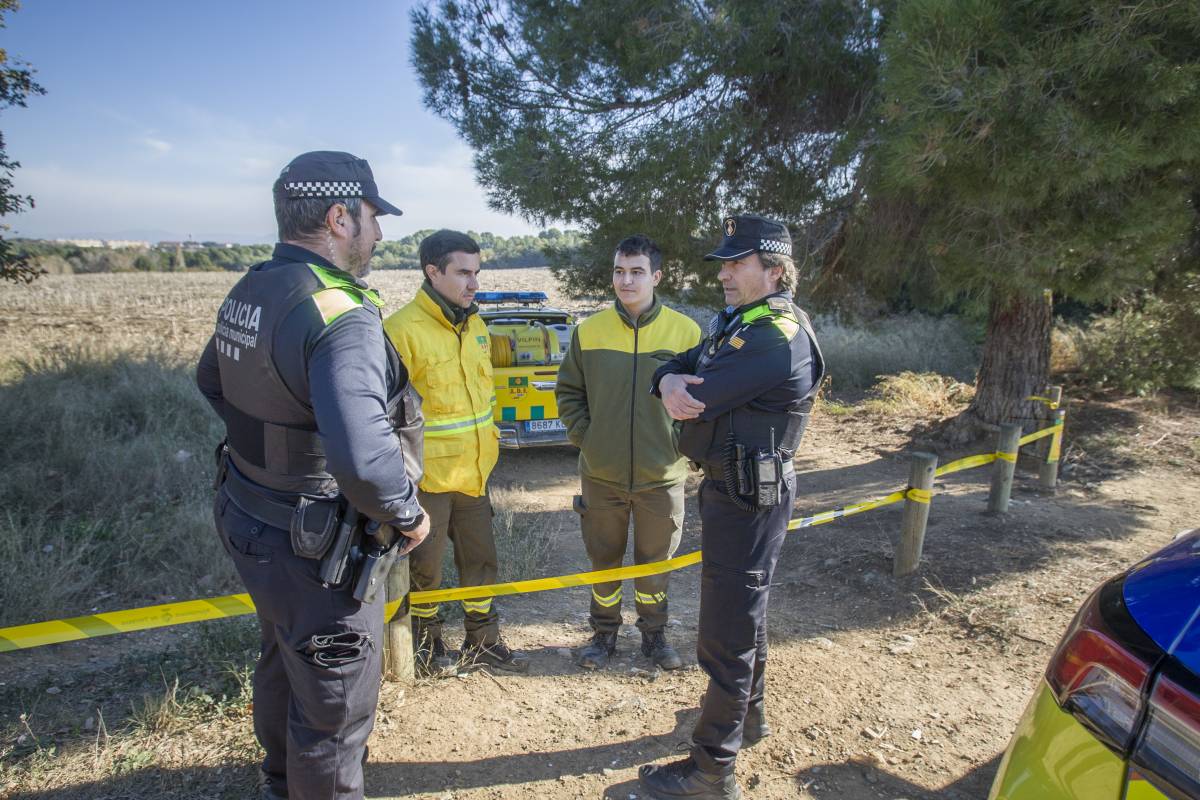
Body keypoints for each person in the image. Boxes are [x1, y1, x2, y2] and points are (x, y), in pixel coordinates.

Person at [196, 151, 430, 800]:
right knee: (332, 717)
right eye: (372, 219)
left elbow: (212, 380)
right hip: (317, 548)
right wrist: (406, 512)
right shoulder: (339, 311)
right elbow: (362, 455)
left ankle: (279, 784)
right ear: (338, 217)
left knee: (283, 659)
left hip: (250, 517)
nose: (379, 234)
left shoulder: (254, 287)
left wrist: (276, 456)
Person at [638, 215, 826, 799]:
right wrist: (666, 382)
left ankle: (710, 771)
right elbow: (679, 366)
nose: (723, 273)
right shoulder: (742, 323)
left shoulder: (772, 333)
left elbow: (696, 390)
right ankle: (750, 719)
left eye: (735, 263)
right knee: (745, 616)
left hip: (747, 495)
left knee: (726, 631)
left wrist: (675, 386)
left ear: (773, 270)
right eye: (723, 262)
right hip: (736, 490)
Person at [383, 229, 529, 673]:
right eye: (463, 272)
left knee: (482, 562)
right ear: (433, 272)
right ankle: (427, 650)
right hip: (424, 480)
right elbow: (384, 415)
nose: (473, 283)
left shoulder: (477, 325)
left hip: (474, 475)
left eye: (476, 272)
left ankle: (483, 641)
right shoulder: (399, 330)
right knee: (425, 570)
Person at [555, 234, 701, 672]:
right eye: (619, 271)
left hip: (662, 476)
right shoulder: (590, 331)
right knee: (604, 562)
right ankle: (603, 635)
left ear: (656, 277)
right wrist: (588, 437)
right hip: (602, 475)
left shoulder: (685, 332)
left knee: (655, 565)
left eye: (636, 271)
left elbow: (701, 399)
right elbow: (569, 392)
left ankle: (655, 638)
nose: (626, 280)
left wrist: (680, 444)